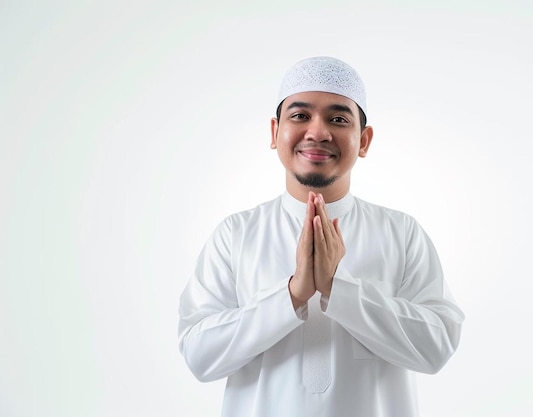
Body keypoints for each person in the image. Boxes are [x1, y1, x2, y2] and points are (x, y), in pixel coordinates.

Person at [178, 56, 464, 417]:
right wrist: (293, 293)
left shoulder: (402, 233)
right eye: (300, 116)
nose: (318, 132)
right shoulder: (235, 235)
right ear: (273, 132)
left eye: (338, 119)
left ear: (364, 139)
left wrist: (337, 288)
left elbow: (436, 348)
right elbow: (199, 355)